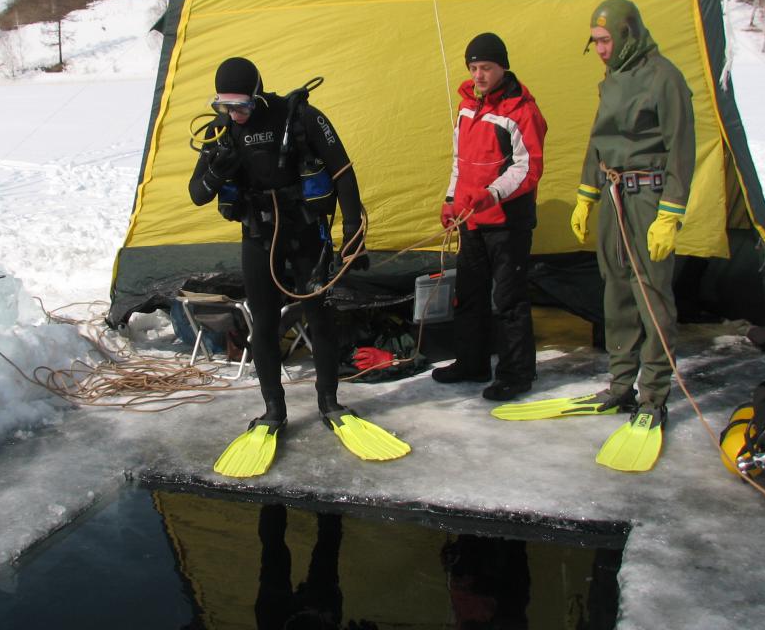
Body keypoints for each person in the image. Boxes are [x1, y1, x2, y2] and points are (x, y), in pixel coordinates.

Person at [492, 0, 695, 474]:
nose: (600, 49)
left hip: (649, 197)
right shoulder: (613, 78)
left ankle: (655, 395)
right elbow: (597, 140)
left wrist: (671, 213)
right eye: (595, 42)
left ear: (627, 33)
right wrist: (586, 195)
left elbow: (683, 146)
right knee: (618, 291)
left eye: (605, 40)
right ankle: (621, 385)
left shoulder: (664, 77)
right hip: (614, 193)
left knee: (650, 295)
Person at [190, 57, 410, 478]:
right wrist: (218, 168)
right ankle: (274, 410)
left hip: (307, 234)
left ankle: (329, 402)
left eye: (242, 105)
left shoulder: (299, 116)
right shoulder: (220, 131)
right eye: (226, 105)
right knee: (265, 324)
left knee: (321, 319)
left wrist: (353, 233)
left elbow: (343, 172)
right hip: (258, 238)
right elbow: (198, 194)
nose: (235, 113)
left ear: (258, 94)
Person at [431, 33, 547, 402]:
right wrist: (451, 198)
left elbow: (528, 168)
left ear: (502, 67)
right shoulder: (467, 107)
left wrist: (492, 193)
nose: (479, 75)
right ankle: (472, 362)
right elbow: (459, 160)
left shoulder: (521, 111)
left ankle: (517, 373)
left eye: (487, 68)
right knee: (469, 294)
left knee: (509, 299)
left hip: (506, 221)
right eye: (474, 68)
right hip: (472, 219)